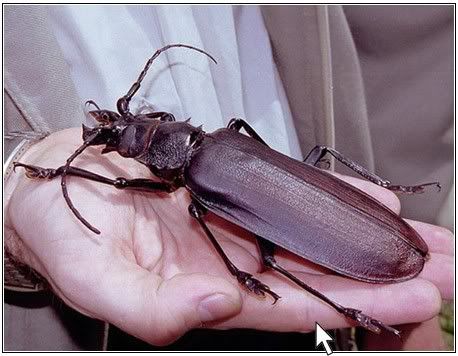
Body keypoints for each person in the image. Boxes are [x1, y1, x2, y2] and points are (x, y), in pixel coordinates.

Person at [4, 4, 453, 351]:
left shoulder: (197, 183)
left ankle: (343, 301)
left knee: (273, 262)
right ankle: (342, 298)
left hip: (306, 243)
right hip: (99, 325)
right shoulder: (215, 143)